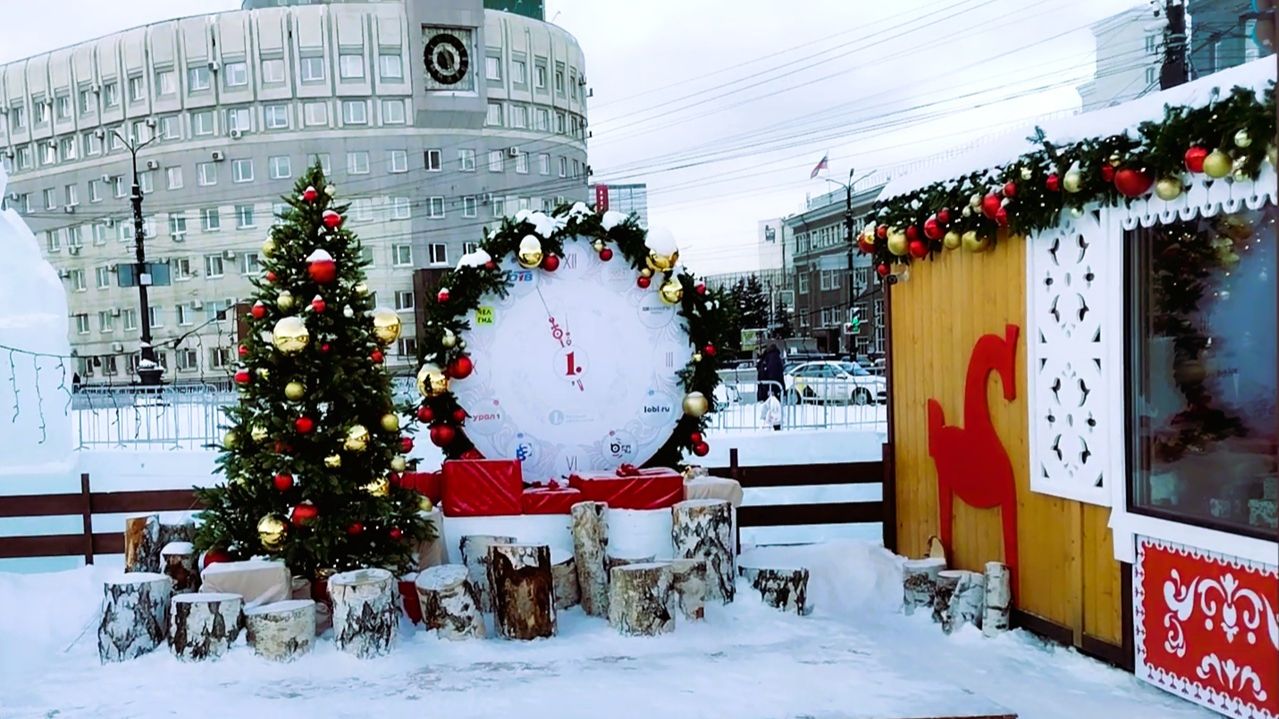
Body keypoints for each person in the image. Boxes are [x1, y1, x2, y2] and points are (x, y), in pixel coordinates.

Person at [758, 341, 785, 431]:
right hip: (771, 388)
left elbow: (773, 373)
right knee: (771, 411)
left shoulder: (771, 357)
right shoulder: (770, 357)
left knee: (773, 411)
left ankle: (774, 429)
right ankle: (772, 428)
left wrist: (771, 388)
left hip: (771, 389)